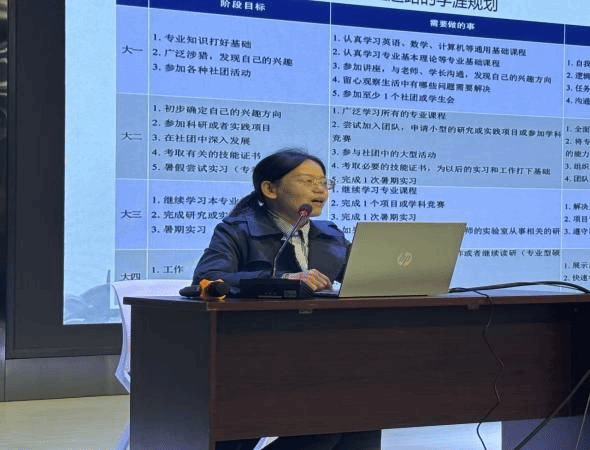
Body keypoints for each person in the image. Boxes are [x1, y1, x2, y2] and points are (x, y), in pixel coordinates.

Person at [193, 148, 381, 450]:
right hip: (254, 353)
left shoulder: (329, 235)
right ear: (270, 189)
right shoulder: (238, 230)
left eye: (324, 182)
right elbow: (208, 279)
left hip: (321, 351)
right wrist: (282, 280)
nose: (320, 190)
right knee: (325, 428)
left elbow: (363, 279)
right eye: (308, 181)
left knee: (363, 415)